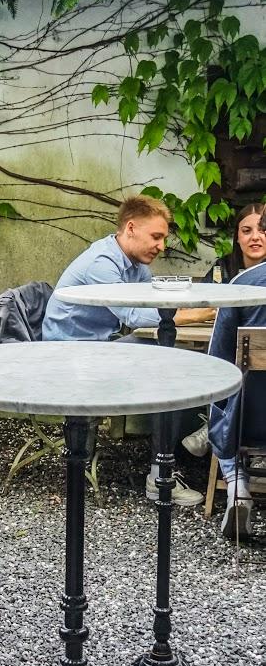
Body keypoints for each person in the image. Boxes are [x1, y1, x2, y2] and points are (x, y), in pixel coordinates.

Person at [42, 194, 214, 505]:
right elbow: (134, 315)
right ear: (131, 228)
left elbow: (151, 305)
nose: (162, 246)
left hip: (98, 348)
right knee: (172, 366)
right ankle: (161, 475)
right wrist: (198, 313)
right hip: (70, 357)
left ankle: (182, 453)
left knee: (173, 362)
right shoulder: (102, 263)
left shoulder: (135, 266)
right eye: (157, 236)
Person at [183, 202, 266, 461]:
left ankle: (215, 428)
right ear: (237, 238)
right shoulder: (223, 270)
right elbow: (200, 304)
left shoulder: (249, 281)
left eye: (262, 230)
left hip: (250, 376)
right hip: (236, 354)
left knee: (224, 364)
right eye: (246, 230)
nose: (255, 236)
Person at [202, 205, 266, 540]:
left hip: (250, 421)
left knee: (219, 398)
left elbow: (217, 357)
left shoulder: (243, 284)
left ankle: (237, 486)